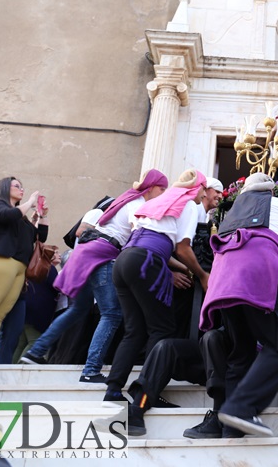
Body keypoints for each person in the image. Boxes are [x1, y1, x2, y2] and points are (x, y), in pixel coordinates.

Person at [20, 170, 169, 382]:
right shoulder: (136, 204)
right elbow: (140, 233)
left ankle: (35, 352)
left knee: (78, 309)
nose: (163, 194)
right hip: (102, 256)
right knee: (112, 313)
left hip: (86, 255)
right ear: (152, 186)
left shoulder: (125, 200)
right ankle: (90, 371)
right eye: (162, 189)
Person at [200, 172, 278, 437]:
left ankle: (231, 430)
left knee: (240, 354)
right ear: (270, 191)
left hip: (224, 280)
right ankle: (241, 408)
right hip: (259, 272)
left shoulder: (233, 212)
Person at [103, 169, 209, 404]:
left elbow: (154, 242)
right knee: (161, 329)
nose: (204, 194)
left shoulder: (161, 199)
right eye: (204, 188)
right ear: (197, 188)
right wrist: (201, 274)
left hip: (125, 260)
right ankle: (146, 393)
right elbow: (182, 249)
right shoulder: (189, 204)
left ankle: (113, 389)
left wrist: (182, 269)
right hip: (144, 262)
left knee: (135, 330)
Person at [0, 177, 48, 362]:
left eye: (22, 186)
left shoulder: (20, 217)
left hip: (18, 268)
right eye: (17, 186)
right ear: (5, 188)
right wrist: (30, 202)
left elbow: (41, 236)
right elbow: (8, 215)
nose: (21, 189)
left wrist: (42, 216)